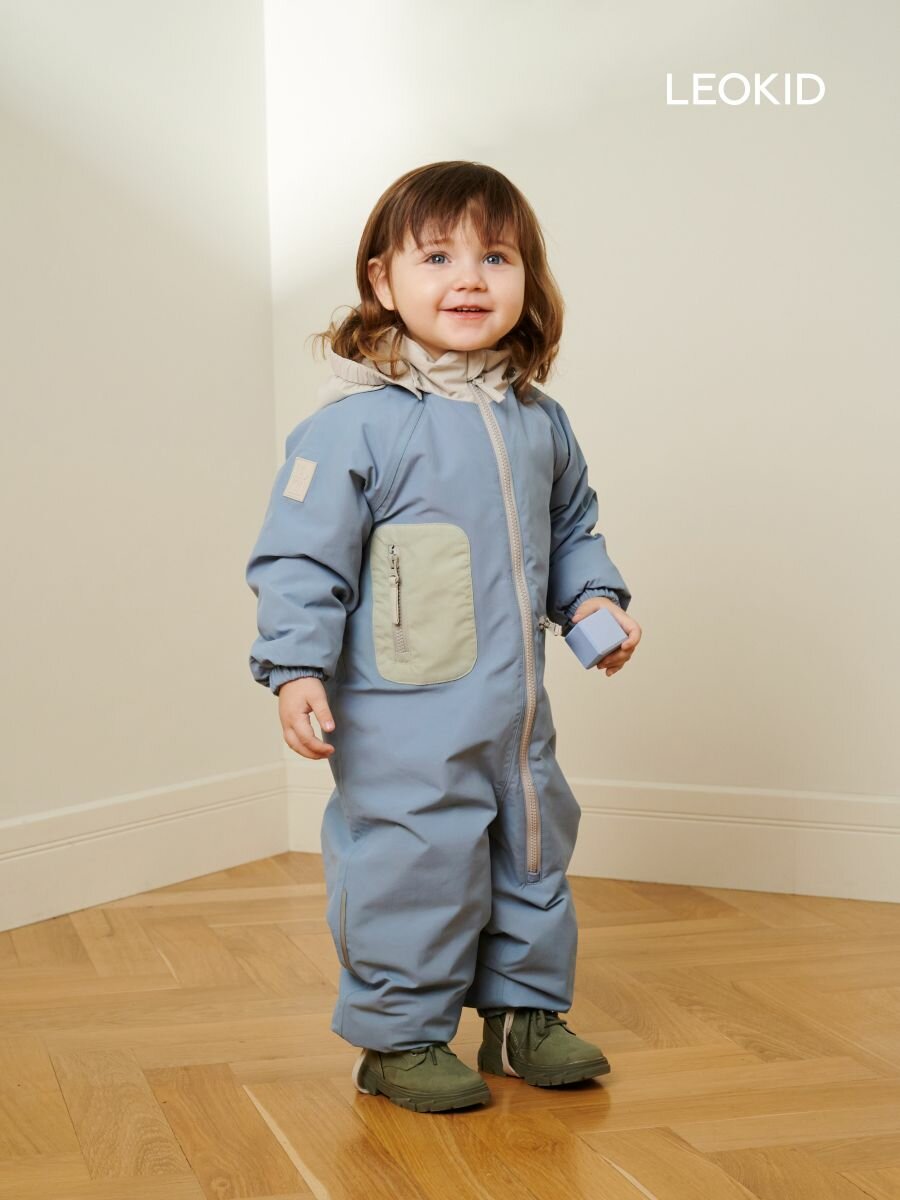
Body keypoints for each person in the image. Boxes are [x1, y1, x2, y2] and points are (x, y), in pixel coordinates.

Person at [246, 160, 641, 1113]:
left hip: (515, 715)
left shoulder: (539, 422)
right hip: (403, 719)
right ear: (382, 281)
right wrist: (296, 665)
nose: (469, 278)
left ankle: (523, 1016)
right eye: (437, 257)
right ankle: (399, 1037)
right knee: (414, 862)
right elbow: (300, 557)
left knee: (531, 848)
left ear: (527, 282)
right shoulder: (355, 427)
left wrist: (592, 602)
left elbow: (571, 528)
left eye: (495, 257)